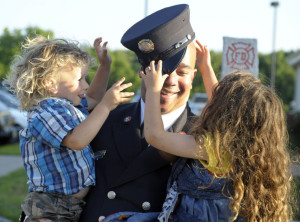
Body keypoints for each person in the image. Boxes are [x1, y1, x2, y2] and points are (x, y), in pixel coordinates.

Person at [79, 4, 217, 222]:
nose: (170, 81)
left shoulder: (204, 136)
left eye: (182, 72)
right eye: (162, 69)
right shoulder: (103, 119)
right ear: (143, 71)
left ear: (193, 76)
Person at [132, 67, 294, 221]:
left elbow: (154, 135)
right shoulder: (253, 157)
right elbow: (226, 102)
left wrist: (153, 88)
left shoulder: (209, 147)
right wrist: (205, 67)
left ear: (221, 111)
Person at [5, 35, 134, 222]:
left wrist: (105, 66)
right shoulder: (45, 112)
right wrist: (106, 106)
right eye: (79, 79)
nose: (86, 85)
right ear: (50, 83)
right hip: (51, 206)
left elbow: (94, 98)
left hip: (69, 205)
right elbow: (76, 140)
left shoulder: (67, 106)